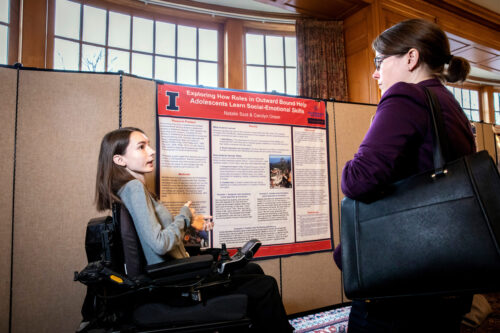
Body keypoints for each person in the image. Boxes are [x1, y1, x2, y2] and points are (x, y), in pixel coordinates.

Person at [335, 19, 475, 332]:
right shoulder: (449, 105)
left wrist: (375, 126)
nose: (375, 73)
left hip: (400, 283)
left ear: (411, 58)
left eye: (379, 62)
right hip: (447, 274)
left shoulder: (405, 98)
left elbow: (356, 179)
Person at [95, 127, 293, 332]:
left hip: (174, 274)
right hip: (174, 284)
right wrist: (184, 215)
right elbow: (159, 244)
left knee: (252, 269)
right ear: (120, 160)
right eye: (141, 147)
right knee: (265, 285)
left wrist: (189, 223)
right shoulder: (134, 189)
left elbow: (158, 236)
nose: (151, 151)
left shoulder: (132, 189)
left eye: (149, 145)